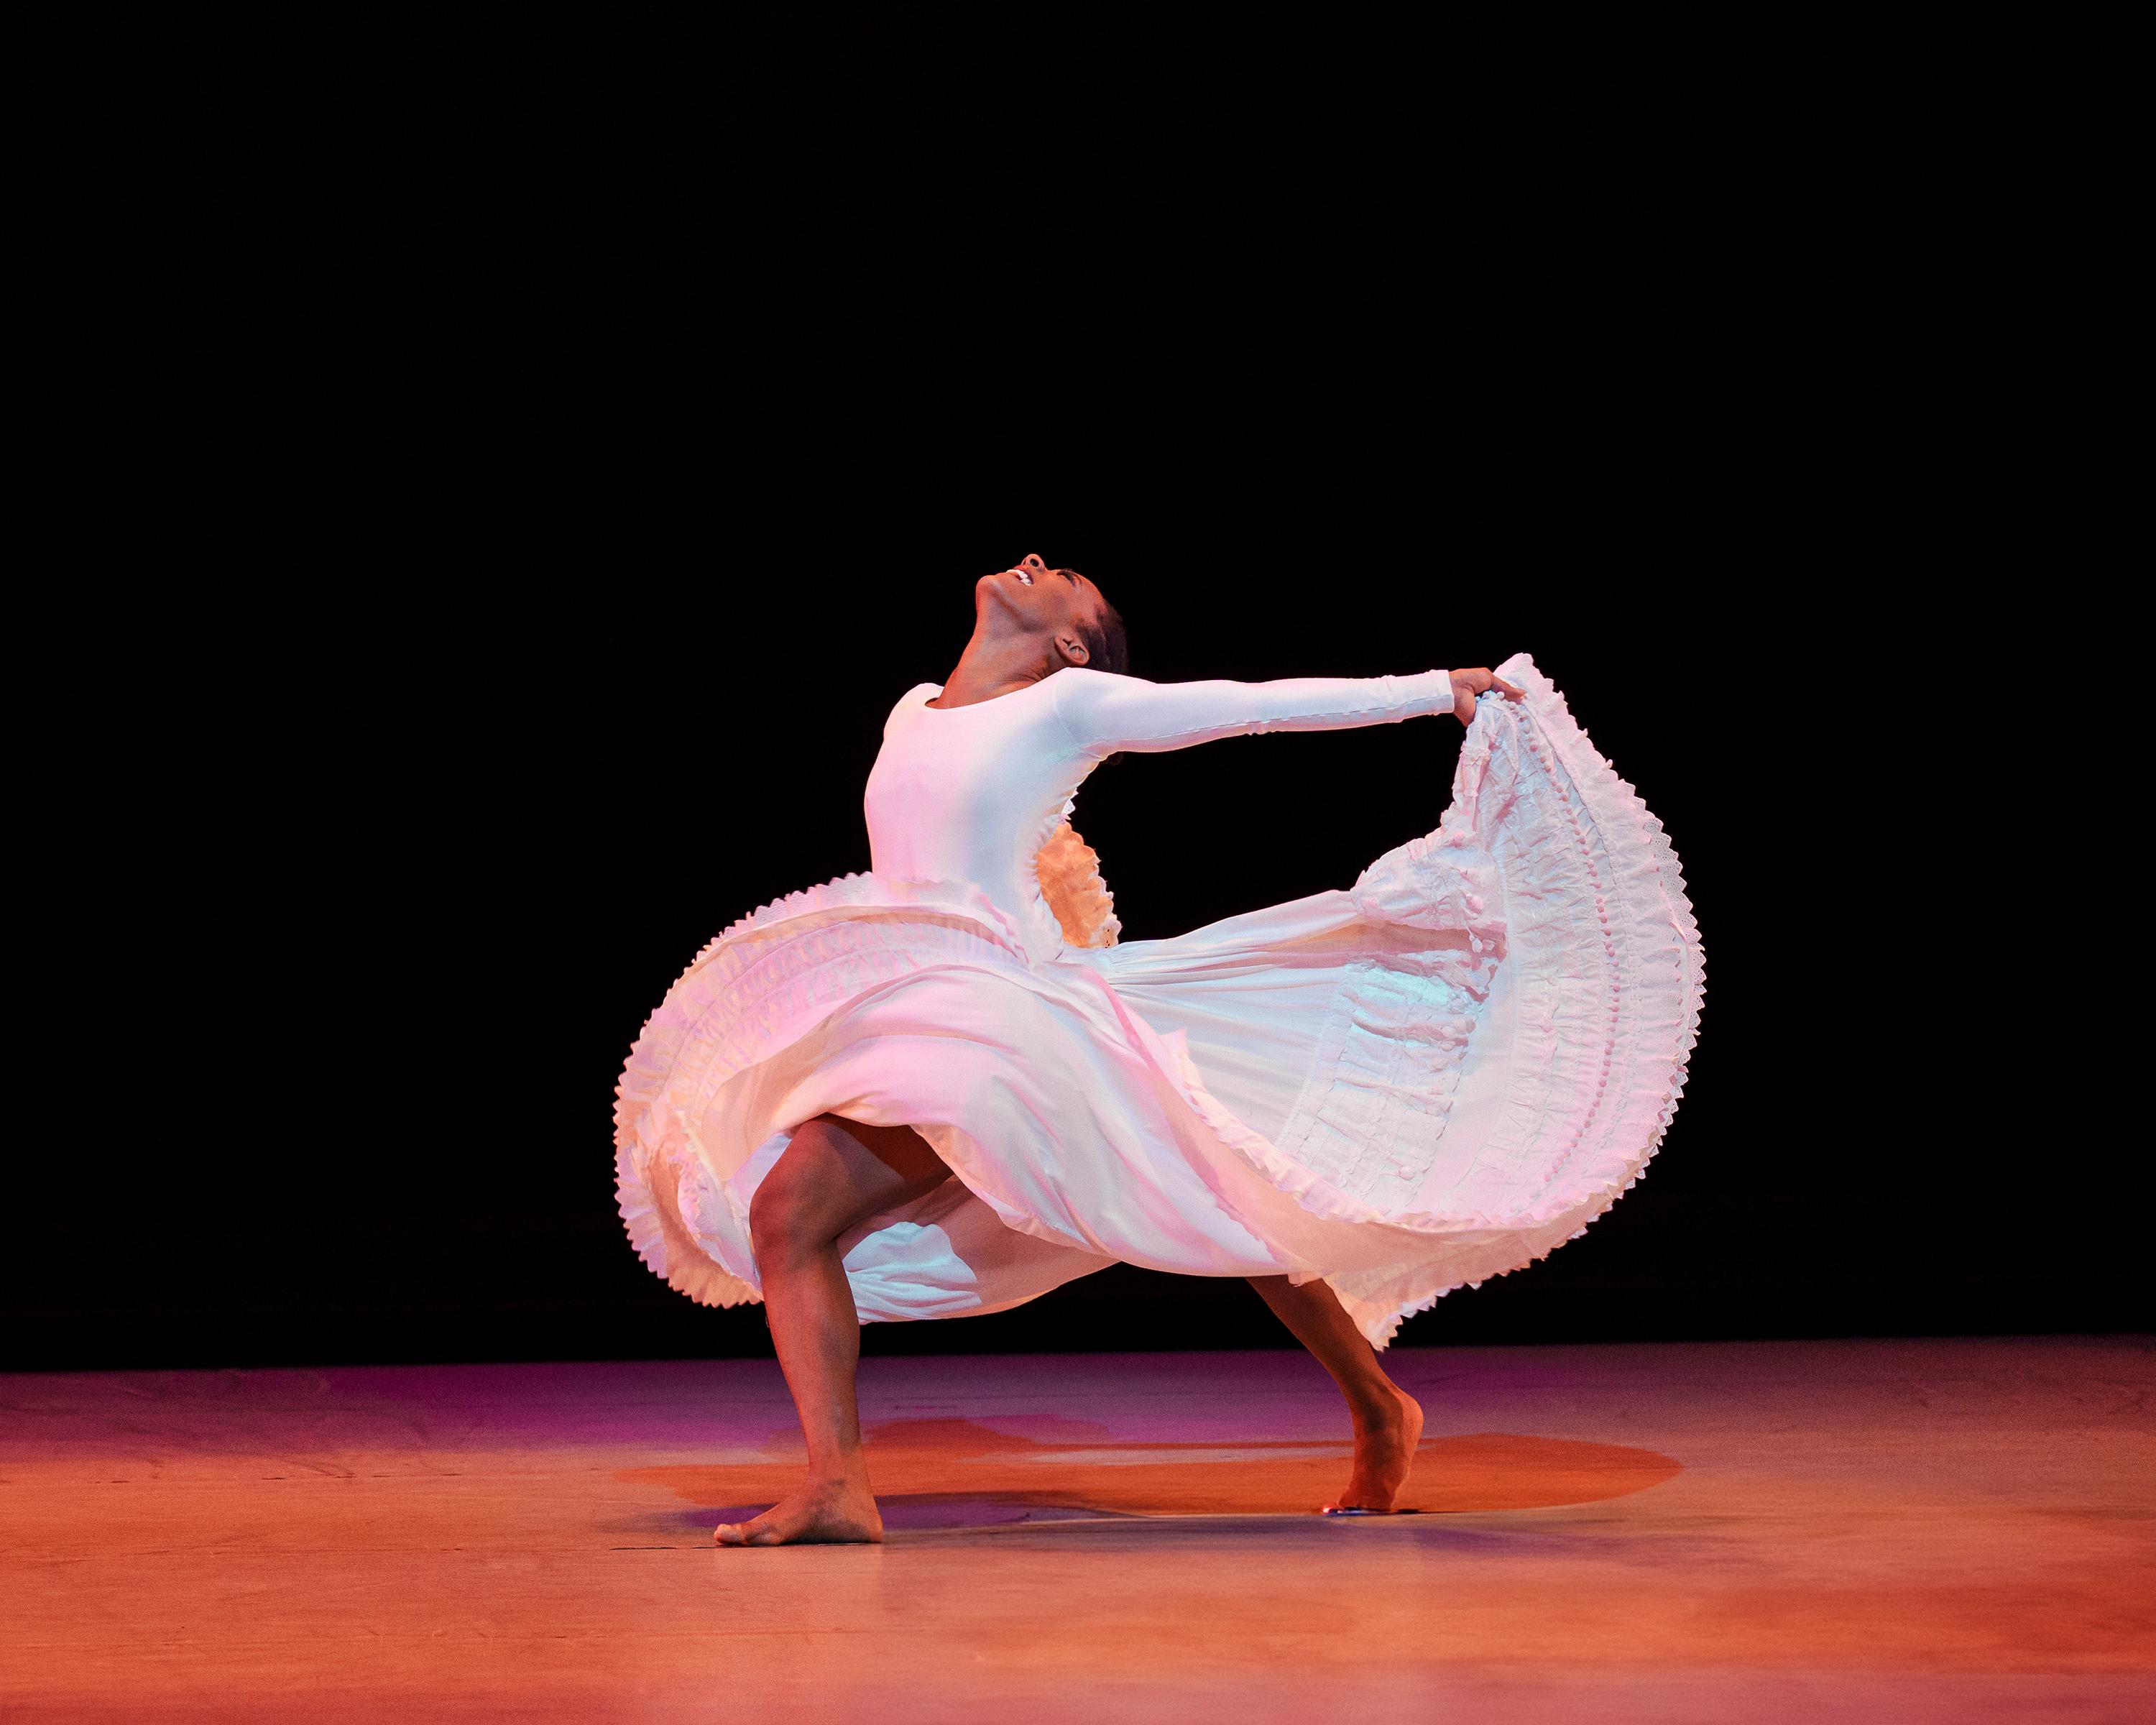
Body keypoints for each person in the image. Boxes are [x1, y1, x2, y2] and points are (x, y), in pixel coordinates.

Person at [614, 555, 1703, 1545]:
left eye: (1067, 580)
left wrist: (1432, 688)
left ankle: (842, 1481)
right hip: (910, 995)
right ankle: (843, 1482)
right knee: (1210, 1182)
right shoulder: (912, 711)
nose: (1037, 561)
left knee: (809, 1214)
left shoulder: (1071, 702)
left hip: (992, 1010)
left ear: (1072, 645)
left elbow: (1245, 711)